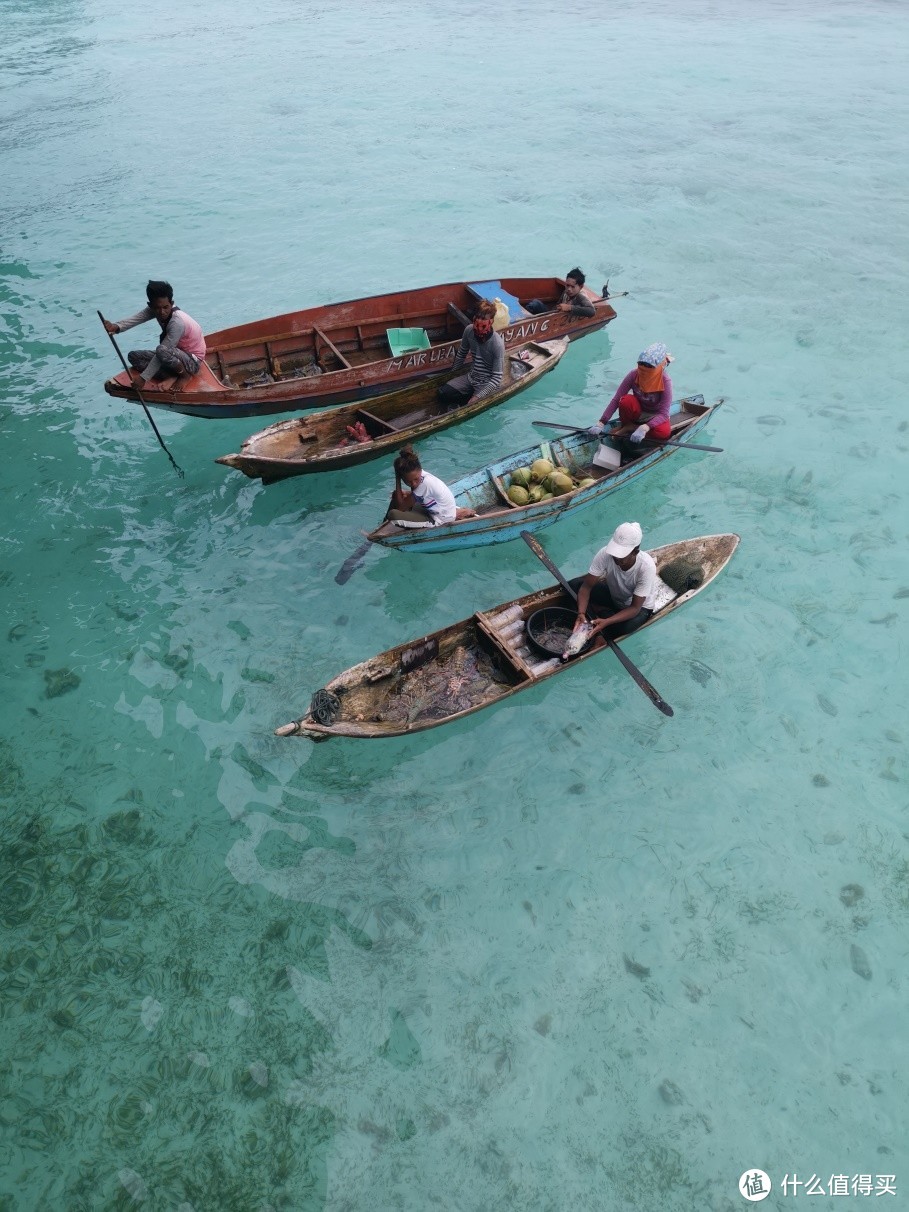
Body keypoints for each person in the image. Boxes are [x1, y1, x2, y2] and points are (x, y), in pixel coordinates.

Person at [104, 280, 206, 389]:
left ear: (171, 303)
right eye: (157, 308)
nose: (162, 312)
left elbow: (164, 349)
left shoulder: (177, 322)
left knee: (162, 350)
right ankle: (171, 376)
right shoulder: (156, 308)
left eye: (166, 307)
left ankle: (185, 376)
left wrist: (143, 378)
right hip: (174, 354)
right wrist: (116, 327)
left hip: (192, 361)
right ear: (150, 305)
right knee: (133, 357)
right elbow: (137, 319)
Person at [569, 521, 657, 640]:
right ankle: (594, 618)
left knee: (623, 629)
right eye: (615, 552)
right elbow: (586, 587)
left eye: (621, 555)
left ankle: (602, 615)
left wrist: (608, 621)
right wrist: (581, 613)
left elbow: (635, 608)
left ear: (635, 552)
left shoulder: (646, 567)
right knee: (573, 585)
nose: (616, 557)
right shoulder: (605, 554)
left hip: (638, 608)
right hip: (615, 597)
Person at [588, 343, 674, 447]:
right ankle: (626, 425)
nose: (644, 369)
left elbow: (664, 414)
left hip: (655, 415)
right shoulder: (633, 374)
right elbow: (616, 399)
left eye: (649, 366)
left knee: (664, 433)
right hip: (638, 411)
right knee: (625, 400)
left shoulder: (665, 381)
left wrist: (646, 427)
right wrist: (601, 422)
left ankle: (631, 428)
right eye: (641, 364)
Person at [386, 445, 477, 528]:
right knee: (396, 495)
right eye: (408, 481)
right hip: (436, 510)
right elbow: (423, 495)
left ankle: (387, 525)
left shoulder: (425, 483)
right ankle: (383, 525)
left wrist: (397, 477)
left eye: (415, 479)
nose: (413, 484)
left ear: (420, 471)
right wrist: (406, 493)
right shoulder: (422, 476)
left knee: (393, 515)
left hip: (440, 520)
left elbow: (401, 508)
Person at [438, 299, 505, 410]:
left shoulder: (497, 343)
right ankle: (467, 396)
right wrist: (452, 374)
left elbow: (497, 378)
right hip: (472, 376)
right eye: (478, 317)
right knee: (443, 393)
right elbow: (461, 354)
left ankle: (472, 397)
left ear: (491, 322)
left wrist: (478, 396)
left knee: (470, 407)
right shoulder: (469, 330)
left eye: (483, 319)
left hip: (487, 382)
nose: (479, 324)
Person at [525, 268, 597, 317]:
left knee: (536, 304)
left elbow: (591, 311)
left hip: (559, 319)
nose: (569, 289)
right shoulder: (566, 292)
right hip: (553, 315)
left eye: (572, 287)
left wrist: (570, 308)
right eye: (567, 285)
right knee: (535, 303)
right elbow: (558, 304)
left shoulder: (580, 296)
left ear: (581, 287)